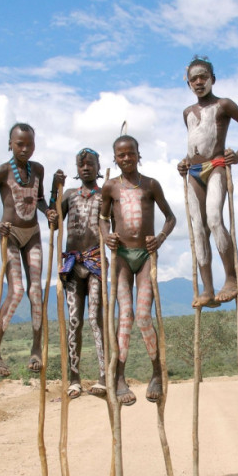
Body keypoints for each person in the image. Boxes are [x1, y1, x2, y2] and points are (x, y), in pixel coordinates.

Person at [177, 56, 238, 308]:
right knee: (198, 229)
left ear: (213, 79)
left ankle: (231, 279)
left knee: (214, 219)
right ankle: (208, 289)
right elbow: (195, 143)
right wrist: (184, 162)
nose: (199, 82)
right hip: (193, 173)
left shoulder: (224, 105)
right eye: (193, 79)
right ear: (188, 83)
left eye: (203, 77)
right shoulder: (187, 113)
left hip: (215, 167)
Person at [100, 135, 176, 405]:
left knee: (143, 316)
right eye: (121, 155)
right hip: (121, 257)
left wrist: (160, 238)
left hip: (145, 257)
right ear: (115, 158)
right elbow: (102, 219)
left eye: (130, 153)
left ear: (138, 154)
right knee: (125, 316)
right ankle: (119, 377)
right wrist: (106, 236)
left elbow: (170, 218)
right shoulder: (110, 187)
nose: (126, 158)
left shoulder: (150, 185)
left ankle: (156, 373)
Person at [0, 123, 54, 375]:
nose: (24, 149)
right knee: (17, 290)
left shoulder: (38, 169)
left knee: (36, 291)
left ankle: (36, 348)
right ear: (10, 144)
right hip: (10, 235)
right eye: (19, 144)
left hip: (33, 234)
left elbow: (39, 199)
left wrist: (48, 211)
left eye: (29, 144)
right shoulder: (2, 172)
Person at [55, 148, 107, 399]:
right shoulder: (69, 195)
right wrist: (54, 193)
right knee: (74, 321)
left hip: (96, 263)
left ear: (98, 166)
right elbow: (54, 222)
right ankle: (74, 379)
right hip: (73, 264)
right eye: (81, 164)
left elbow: (112, 225)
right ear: (77, 168)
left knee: (96, 318)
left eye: (90, 163)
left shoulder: (105, 195)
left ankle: (104, 376)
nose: (85, 168)